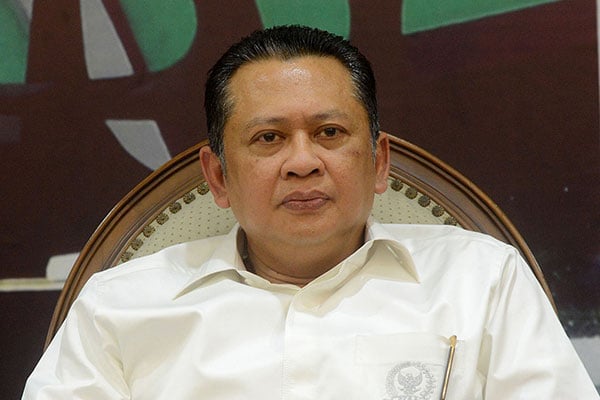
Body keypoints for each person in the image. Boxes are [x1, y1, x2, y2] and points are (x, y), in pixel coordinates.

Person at [23, 25, 598, 399]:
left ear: (379, 162)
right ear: (218, 177)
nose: (302, 163)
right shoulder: (119, 306)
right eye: (269, 138)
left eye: (329, 132)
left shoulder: (483, 280)